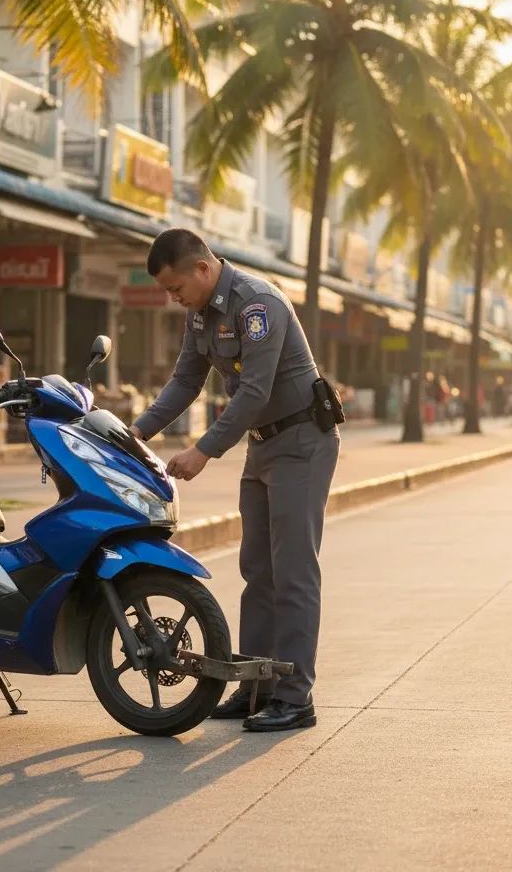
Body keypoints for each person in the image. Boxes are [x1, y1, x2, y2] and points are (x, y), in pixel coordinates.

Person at [130, 229, 340, 733]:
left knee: (292, 572)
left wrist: (204, 450)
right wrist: (133, 433)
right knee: (257, 572)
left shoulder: (257, 303)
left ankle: (295, 697)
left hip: (302, 442)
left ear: (202, 269)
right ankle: (256, 685)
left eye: (176, 288)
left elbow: (254, 389)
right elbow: (185, 380)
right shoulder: (201, 314)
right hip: (264, 444)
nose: (173, 299)